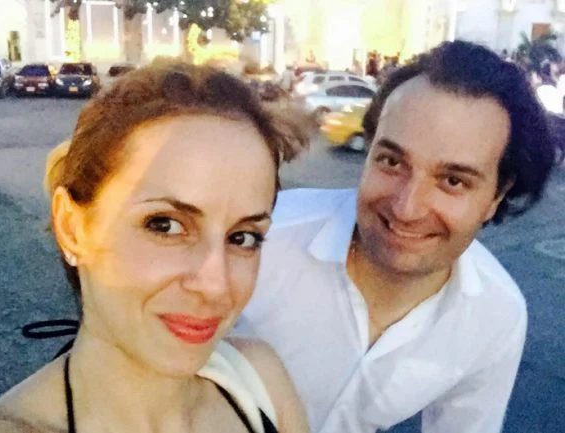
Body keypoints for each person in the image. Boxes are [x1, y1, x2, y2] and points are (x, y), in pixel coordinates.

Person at [233, 40, 563, 433]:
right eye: (391, 161)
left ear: (496, 196)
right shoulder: (261, 240)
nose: (407, 208)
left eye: (453, 181)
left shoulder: (496, 316)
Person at [0, 61, 311, 433]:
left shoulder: (259, 380)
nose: (216, 286)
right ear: (72, 227)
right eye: (165, 225)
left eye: (242, 238)